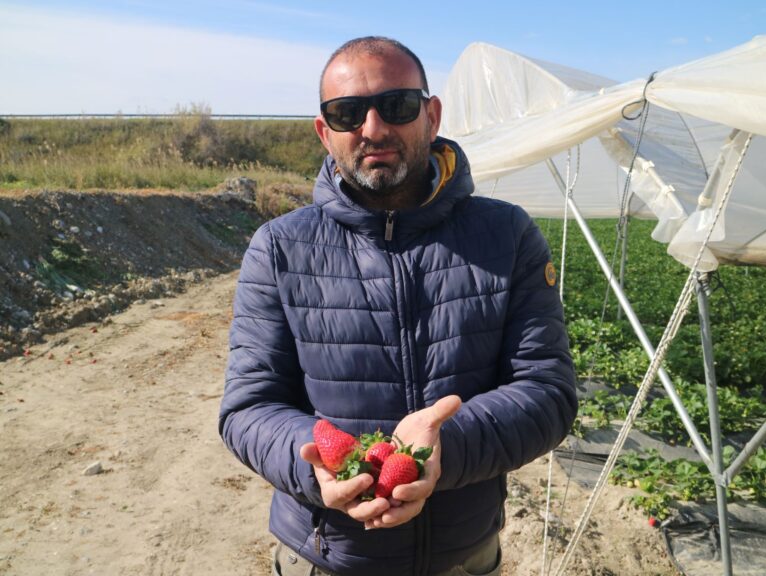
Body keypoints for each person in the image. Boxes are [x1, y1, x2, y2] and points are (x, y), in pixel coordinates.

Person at [219, 36, 577, 576]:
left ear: (431, 116)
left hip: (463, 558)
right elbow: (247, 407)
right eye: (346, 113)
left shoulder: (506, 235)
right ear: (325, 132)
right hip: (324, 557)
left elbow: (547, 391)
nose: (373, 128)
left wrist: (445, 450)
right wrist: (317, 460)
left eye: (397, 105)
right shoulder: (279, 247)